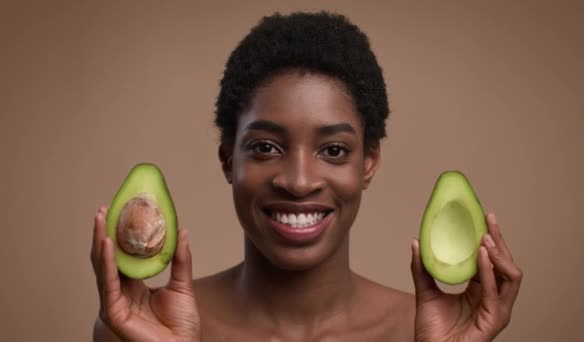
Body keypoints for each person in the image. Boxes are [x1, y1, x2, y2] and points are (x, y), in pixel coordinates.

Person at [90, 11, 522, 341]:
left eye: (333, 150)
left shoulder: (424, 331)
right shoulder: (146, 327)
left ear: (368, 162)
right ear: (228, 160)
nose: (298, 182)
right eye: (265, 147)